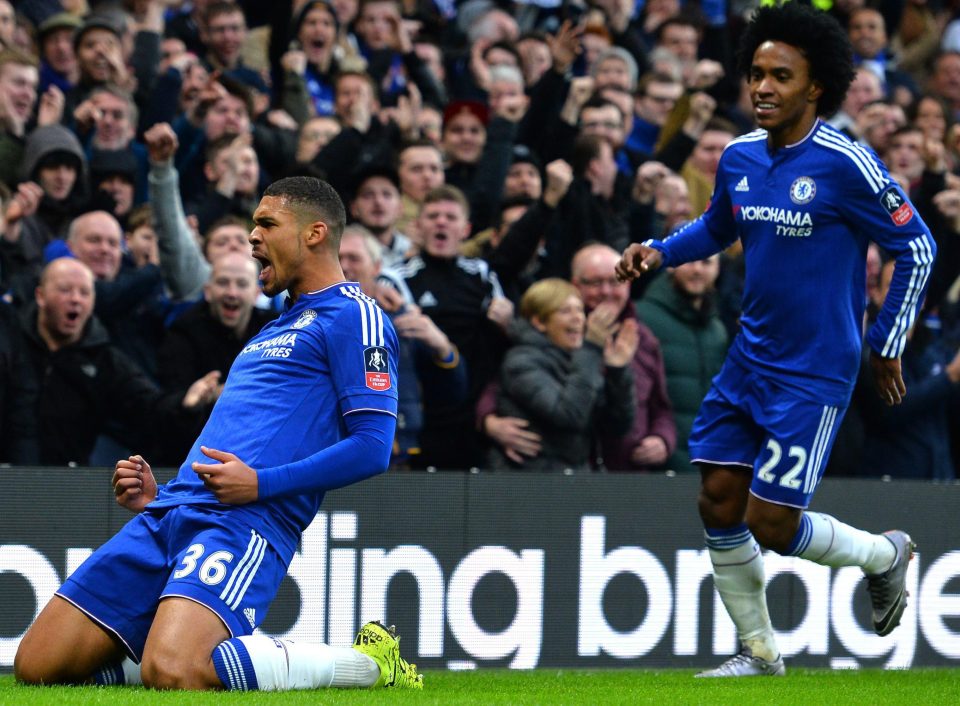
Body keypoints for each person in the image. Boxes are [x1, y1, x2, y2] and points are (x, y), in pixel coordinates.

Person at [615, 4, 936, 677]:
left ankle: (886, 556)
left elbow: (917, 246)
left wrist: (887, 339)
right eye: (756, 73)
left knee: (771, 522)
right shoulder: (737, 156)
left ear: (815, 86)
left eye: (779, 76)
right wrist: (659, 253)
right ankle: (759, 652)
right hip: (748, 358)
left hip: (814, 371)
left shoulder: (845, 163)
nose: (761, 87)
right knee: (717, 499)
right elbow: (716, 227)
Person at [14, 177, 422, 692]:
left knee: (176, 670)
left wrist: (261, 485)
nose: (252, 236)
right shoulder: (270, 330)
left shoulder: (355, 315)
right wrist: (162, 495)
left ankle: (366, 664)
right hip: (171, 513)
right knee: (38, 666)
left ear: (316, 233)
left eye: (267, 224)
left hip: (247, 520)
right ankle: (171, 647)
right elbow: (247, 432)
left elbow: (373, 446)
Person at [490, 277, 637, 472]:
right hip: (531, 483)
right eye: (565, 311)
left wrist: (617, 372)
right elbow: (569, 414)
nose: (578, 318)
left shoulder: (581, 360)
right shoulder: (521, 362)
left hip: (574, 480)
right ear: (539, 322)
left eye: (579, 310)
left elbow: (617, 426)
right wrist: (591, 348)